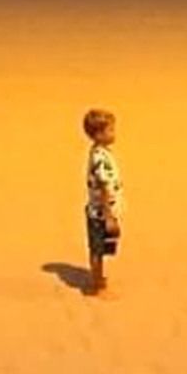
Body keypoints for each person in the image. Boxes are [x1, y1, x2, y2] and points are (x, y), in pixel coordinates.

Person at [83, 108, 124, 297]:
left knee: (103, 246)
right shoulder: (99, 157)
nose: (114, 133)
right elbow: (103, 187)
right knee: (97, 249)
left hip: (103, 210)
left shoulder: (102, 152)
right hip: (100, 212)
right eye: (110, 130)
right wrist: (108, 216)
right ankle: (97, 286)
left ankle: (98, 279)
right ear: (98, 134)